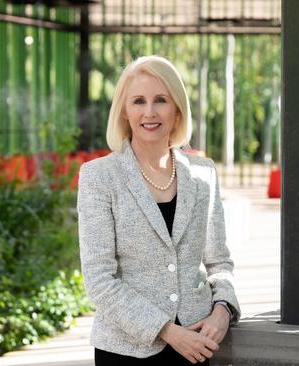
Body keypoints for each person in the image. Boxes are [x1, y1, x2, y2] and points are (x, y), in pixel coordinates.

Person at [77, 55, 240, 365]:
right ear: (124, 111)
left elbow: (219, 262)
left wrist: (223, 310)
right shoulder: (99, 177)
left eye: (160, 100)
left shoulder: (203, 173)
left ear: (177, 110)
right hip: (127, 350)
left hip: (198, 344)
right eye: (138, 101)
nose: (149, 112)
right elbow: (99, 280)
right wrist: (167, 331)